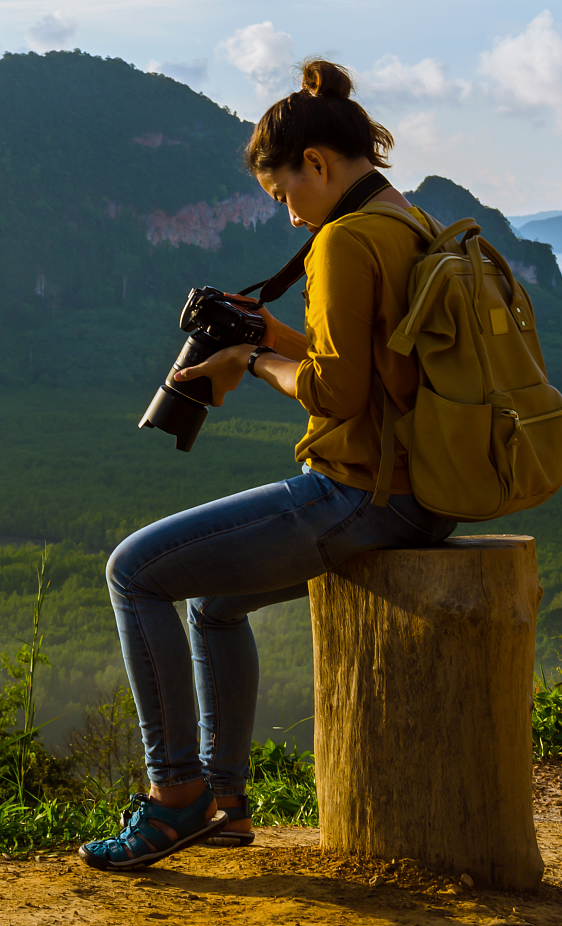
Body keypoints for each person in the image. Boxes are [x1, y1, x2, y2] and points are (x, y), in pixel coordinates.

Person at [77, 58, 457, 872]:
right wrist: (268, 334)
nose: (288, 217)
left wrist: (246, 367)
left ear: (315, 165)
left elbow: (337, 391)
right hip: (422, 489)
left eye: (285, 194)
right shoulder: (408, 221)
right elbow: (365, 360)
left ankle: (174, 795)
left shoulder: (345, 241)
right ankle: (226, 801)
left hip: (361, 495)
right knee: (213, 603)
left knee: (135, 570)